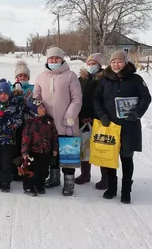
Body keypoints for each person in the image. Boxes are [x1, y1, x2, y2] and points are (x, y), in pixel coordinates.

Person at [94, 50, 151, 204]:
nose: (116, 64)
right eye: (113, 62)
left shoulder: (136, 79)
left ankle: (126, 190)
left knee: (126, 158)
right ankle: (112, 188)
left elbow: (146, 98)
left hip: (129, 126)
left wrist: (137, 113)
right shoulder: (104, 80)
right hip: (110, 125)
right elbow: (96, 99)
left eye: (119, 61)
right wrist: (103, 116)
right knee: (110, 157)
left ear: (125, 63)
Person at [33, 47, 82, 196]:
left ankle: (69, 182)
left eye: (56, 58)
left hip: (67, 123)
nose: (53, 61)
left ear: (62, 59)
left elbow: (77, 98)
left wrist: (70, 116)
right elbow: (36, 96)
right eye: (51, 58)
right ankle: (54, 178)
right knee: (51, 153)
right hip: (48, 124)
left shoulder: (70, 76)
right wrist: (39, 108)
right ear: (47, 60)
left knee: (68, 153)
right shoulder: (41, 77)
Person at [74, 53, 108, 189]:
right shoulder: (79, 80)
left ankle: (105, 178)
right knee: (84, 147)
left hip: (100, 119)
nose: (91, 65)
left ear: (99, 65)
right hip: (82, 118)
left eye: (94, 63)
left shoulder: (105, 79)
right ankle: (85, 174)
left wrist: (96, 116)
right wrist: (81, 115)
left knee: (101, 148)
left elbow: (104, 101)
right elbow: (77, 99)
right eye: (89, 63)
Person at [0, 79, 24, 193]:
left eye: (5, 94)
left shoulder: (14, 106)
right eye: (0, 94)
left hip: (8, 140)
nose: (2, 96)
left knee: (6, 162)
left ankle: (6, 182)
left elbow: (19, 121)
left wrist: (7, 121)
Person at [21, 98, 59, 196]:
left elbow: (54, 135)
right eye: (40, 108)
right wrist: (25, 152)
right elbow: (26, 138)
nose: (43, 109)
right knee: (31, 170)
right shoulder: (30, 123)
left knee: (43, 170)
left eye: (43, 107)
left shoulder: (49, 122)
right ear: (34, 110)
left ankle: (39, 185)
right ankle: (28, 186)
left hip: (45, 151)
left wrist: (55, 148)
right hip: (33, 152)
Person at [10, 59, 33, 181]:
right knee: (15, 146)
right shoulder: (11, 87)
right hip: (15, 123)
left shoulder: (33, 88)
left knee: (26, 147)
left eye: (25, 76)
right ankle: (15, 170)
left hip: (29, 123)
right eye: (20, 76)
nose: (22, 78)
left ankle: (26, 169)